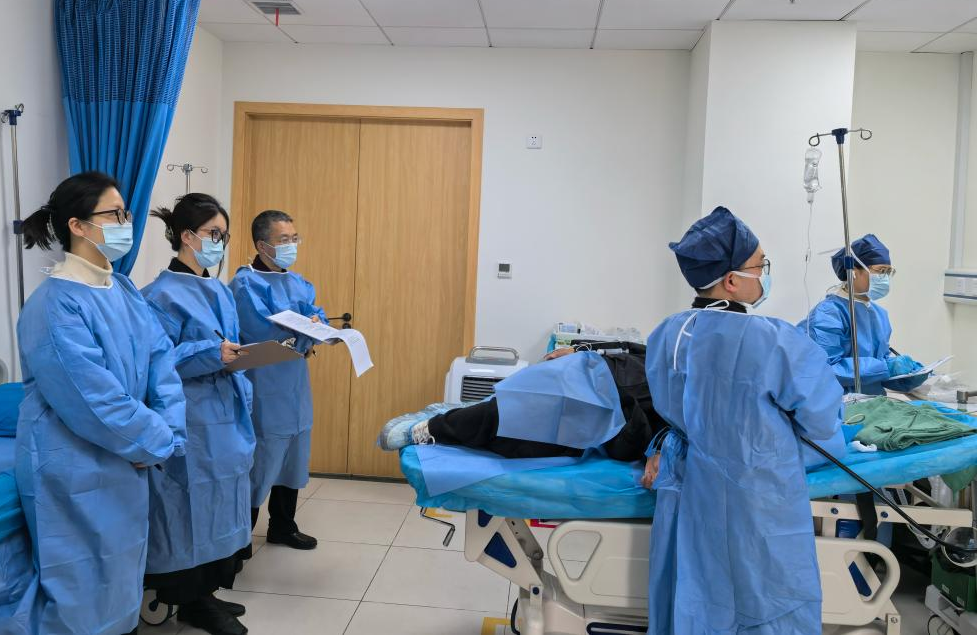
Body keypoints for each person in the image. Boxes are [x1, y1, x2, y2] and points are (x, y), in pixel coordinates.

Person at [644, 206, 843, 635]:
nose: (765, 275)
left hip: (687, 485)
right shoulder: (773, 340)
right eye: (760, 266)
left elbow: (670, 411)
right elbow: (823, 418)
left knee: (694, 596)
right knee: (765, 601)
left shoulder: (666, 334)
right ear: (732, 281)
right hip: (758, 493)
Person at [14, 172, 185, 635]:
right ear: (78, 225)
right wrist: (154, 440)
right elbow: (91, 399)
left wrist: (167, 431)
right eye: (115, 214)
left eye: (126, 213)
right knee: (79, 591)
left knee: (121, 577)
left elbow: (161, 362)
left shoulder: (122, 290)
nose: (127, 222)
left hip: (127, 457)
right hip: (74, 467)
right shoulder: (53, 305)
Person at [142, 194, 256, 635]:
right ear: (187, 237)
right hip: (191, 417)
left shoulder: (217, 289)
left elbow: (229, 345)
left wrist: (240, 356)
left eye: (224, 235)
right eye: (213, 233)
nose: (220, 242)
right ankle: (190, 601)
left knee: (222, 504)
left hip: (227, 413)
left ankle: (208, 591)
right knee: (190, 508)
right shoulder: (159, 295)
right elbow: (156, 362)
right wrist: (212, 352)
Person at [379, 343, 667, 463]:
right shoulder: (677, 338)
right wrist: (580, 349)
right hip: (596, 374)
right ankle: (428, 428)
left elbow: (672, 430)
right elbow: (636, 347)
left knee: (521, 444)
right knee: (513, 411)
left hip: (617, 418)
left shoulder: (685, 408)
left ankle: (454, 417)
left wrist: (659, 451)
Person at [229, 210, 326, 550]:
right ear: (262, 245)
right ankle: (239, 540)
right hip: (264, 386)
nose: (291, 246)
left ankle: (283, 526)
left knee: (293, 456)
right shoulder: (246, 285)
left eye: (294, 239)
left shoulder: (298, 282)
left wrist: (316, 325)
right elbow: (262, 333)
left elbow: (315, 315)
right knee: (262, 461)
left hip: (295, 386)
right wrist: (303, 335)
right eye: (284, 240)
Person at [799, 234, 928, 396]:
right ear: (853, 271)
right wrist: (885, 367)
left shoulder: (879, 314)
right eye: (881, 271)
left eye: (889, 272)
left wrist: (906, 375)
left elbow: (878, 370)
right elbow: (827, 369)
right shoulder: (827, 315)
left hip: (873, 402)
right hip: (838, 405)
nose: (885, 278)